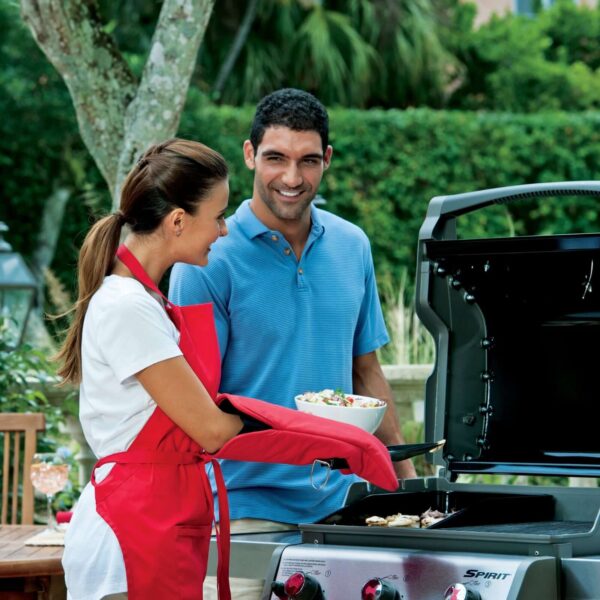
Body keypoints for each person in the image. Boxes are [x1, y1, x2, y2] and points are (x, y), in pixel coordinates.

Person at [56, 137, 397, 600]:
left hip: (161, 519)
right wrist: (323, 439)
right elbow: (212, 429)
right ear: (178, 221)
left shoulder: (146, 302)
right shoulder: (126, 307)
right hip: (131, 532)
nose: (222, 230)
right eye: (216, 217)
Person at [169, 88, 417, 599]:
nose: (291, 177)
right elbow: (195, 397)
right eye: (275, 158)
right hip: (242, 516)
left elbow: (366, 373)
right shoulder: (206, 258)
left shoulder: (354, 246)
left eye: (308, 160)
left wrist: (407, 484)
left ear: (326, 159)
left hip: (344, 511)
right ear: (249, 155)